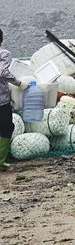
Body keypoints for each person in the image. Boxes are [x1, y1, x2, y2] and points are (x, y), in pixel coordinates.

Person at [0, 29, 29, 170]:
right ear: (1, 40)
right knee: (6, 128)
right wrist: (18, 83)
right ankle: (1, 162)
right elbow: (3, 72)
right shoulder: (3, 54)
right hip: (1, 101)